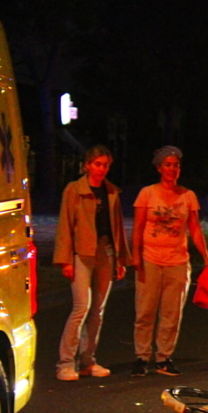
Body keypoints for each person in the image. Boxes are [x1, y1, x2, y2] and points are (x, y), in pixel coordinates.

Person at [131, 146, 208, 376]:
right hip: (150, 258)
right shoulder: (147, 193)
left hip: (177, 260)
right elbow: (138, 227)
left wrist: (206, 256)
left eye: (176, 165)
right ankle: (141, 357)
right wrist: (135, 256)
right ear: (160, 168)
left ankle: (163, 357)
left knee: (172, 313)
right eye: (168, 165)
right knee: (145, 311)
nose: (172, 169)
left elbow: (195, 229)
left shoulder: (187, 196)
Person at [53, 145, 132, 381]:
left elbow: (116, 227)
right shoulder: (74, 190)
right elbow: (65, 225)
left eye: (105, 165)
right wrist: (65, 259)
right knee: (81, 307)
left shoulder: (110, 192)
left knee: (97, 310)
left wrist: (120, 259)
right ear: (87, 165)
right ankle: (65, 363)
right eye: (97, 164)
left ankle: (88, 360)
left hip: (105, 251)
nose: (101, 169)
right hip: (82, 253)